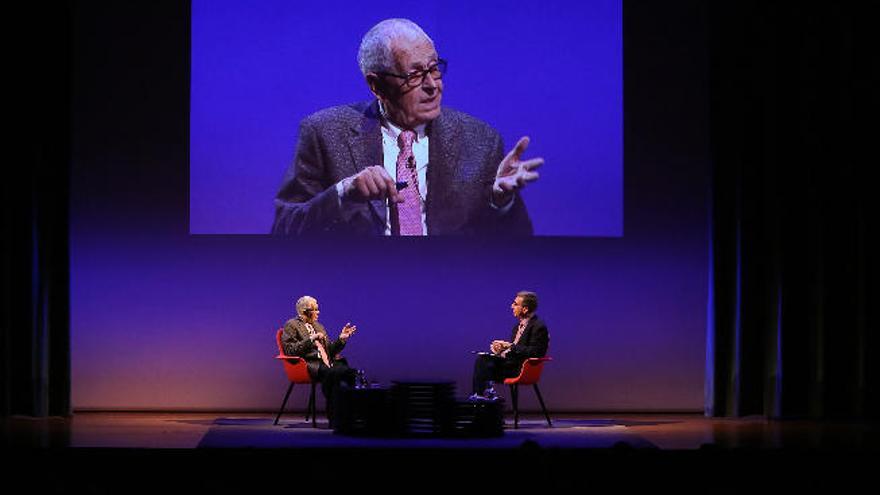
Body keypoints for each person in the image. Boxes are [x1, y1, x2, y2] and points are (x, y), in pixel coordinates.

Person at [272, 18, 543, 236]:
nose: (432, 85)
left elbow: (517, 245)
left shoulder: (480, 140)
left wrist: (501, 201)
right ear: (376, 85)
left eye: (434, 69)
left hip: (448, 283)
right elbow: (284, 229)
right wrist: (343, 193)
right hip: (359, 282)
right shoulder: (324, 133)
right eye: (414, 75)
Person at [281, 296, 358, 425]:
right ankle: (335, 416)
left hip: (326, 362)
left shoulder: (318, 326)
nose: (318, 312)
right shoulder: (292, 325)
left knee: (350, 373)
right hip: (310, 364)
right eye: (315, 309)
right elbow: (290, 350)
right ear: (305, 311)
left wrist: (341, 339)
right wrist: (311, 339)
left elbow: (330, 351)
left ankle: (350, 415)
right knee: (334, 373)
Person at [471, 291, 549, 401]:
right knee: (483, 358)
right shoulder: (517, 326)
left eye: (515, 304)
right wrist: (500, 351)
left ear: (525, 309)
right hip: (511, 364)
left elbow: (536, 352)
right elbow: (515, 349)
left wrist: (510, 346)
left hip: (521, 369)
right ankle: (484, 396)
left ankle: (482, 396)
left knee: (483, 363)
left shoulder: (538, 327)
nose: (512, 306)